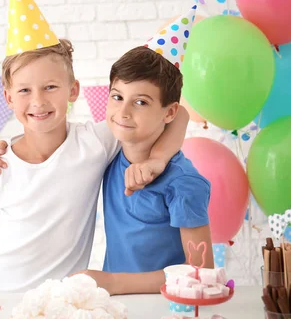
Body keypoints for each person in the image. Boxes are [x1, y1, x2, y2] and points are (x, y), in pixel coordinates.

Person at [0, 0, 190, 293]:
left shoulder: (95, 142)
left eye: (50, 86)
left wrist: (158, 160)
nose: (38, 101)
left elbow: (179, 116)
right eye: (24, 91)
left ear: (73, 90)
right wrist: (3, 278)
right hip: (1, 297)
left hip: (64, 300)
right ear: (8, 97)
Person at [76, 46, 213, 295]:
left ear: (168, 112)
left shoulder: (183, 183)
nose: (123, 112)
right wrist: (1, 149)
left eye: (141, 102)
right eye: (117, 97)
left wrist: (113, 283)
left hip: (165, 308)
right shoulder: (108, 151)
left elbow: (200, 272)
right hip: (114, 307)